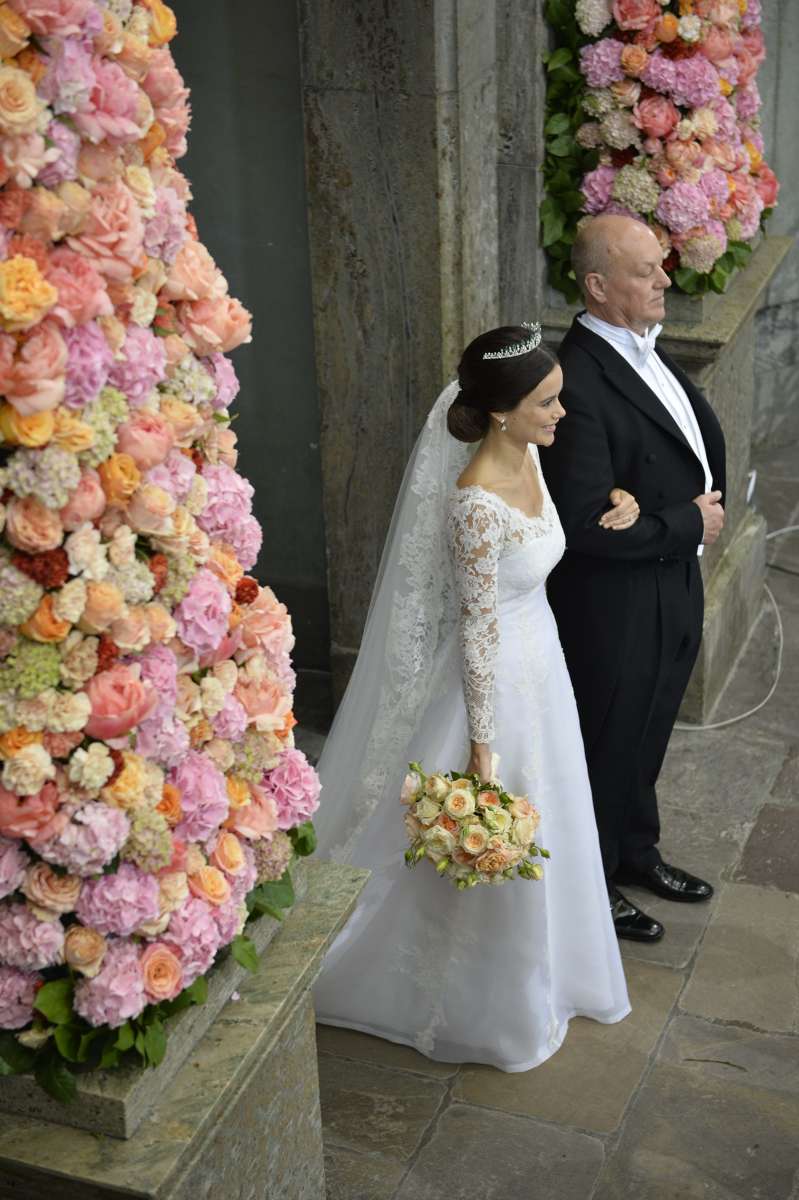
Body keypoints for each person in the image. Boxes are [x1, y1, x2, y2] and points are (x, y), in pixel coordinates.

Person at [312, 324, 632, 1073]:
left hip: (540, 668)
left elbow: (545, 542)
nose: (562, 413)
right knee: (494, 827)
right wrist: (482, 746)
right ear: (499, 411)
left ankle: (561, 974)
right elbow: (477, 632)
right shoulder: (473, 503)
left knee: (551, 818)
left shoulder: (530, 457)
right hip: (492, 691)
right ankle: (480, 1006)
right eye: (546, 402)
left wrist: (614, 494)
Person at [541, 214, 727, 944]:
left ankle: (634, 853)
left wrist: (680, 527)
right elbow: (582, 522)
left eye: (660, 266)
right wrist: (687, 522)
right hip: (615, 601)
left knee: (649, 728)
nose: (664, 280)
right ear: (597, 285)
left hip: (670, 576)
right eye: (646, 270)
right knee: (607, 736)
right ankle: (593, 881)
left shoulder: (645, 351)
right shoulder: (577, 378)